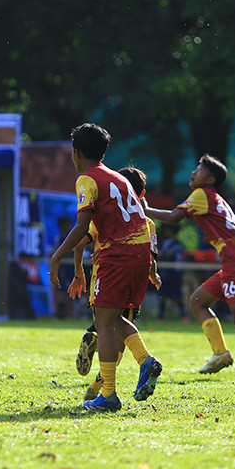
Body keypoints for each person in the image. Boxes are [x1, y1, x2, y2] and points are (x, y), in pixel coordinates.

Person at [142, 155, 235, 383]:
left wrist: (145, 209)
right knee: (198, 301)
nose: (193, 173)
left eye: (199, 170)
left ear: (210, 179)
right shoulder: (214, 197)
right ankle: (220, 354)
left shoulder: (201, 195)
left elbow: (174, 217)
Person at [49, 124, 161, 411]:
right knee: (112, 318)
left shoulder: (87, 180)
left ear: (76, 153)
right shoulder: (119, 178)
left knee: (103, 323)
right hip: (142, 253)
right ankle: (145, 361)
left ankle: (108, 395)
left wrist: (56, 256)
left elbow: (82, 226)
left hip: (117, 255)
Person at [71, 167, 162, 402]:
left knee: (107, 325)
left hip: (107, 274)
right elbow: (151, 254)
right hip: (136, 273)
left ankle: (105, 386)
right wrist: (153, 274)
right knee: (116, 330)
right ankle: (105, 382)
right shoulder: (147, 223)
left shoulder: (107, 212)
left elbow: (82, 238)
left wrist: (77, 268)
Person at [157, 224, 187, 321]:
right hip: (177, 271)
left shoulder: (169, 243)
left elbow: (166, 255)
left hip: (169, 271)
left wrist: (159, 254)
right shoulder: (180, 244)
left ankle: (160, 317)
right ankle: (184, 317)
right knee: (177, 295)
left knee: (164, 295)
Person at [51, 216, 75, 318]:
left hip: (71, 267)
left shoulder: (72, 237)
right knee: (62, 290)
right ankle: (62, 312)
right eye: (66, 225)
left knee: (69, 290)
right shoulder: (59, 238)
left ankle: (70, 312)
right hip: (62, 268)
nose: (69, 227)